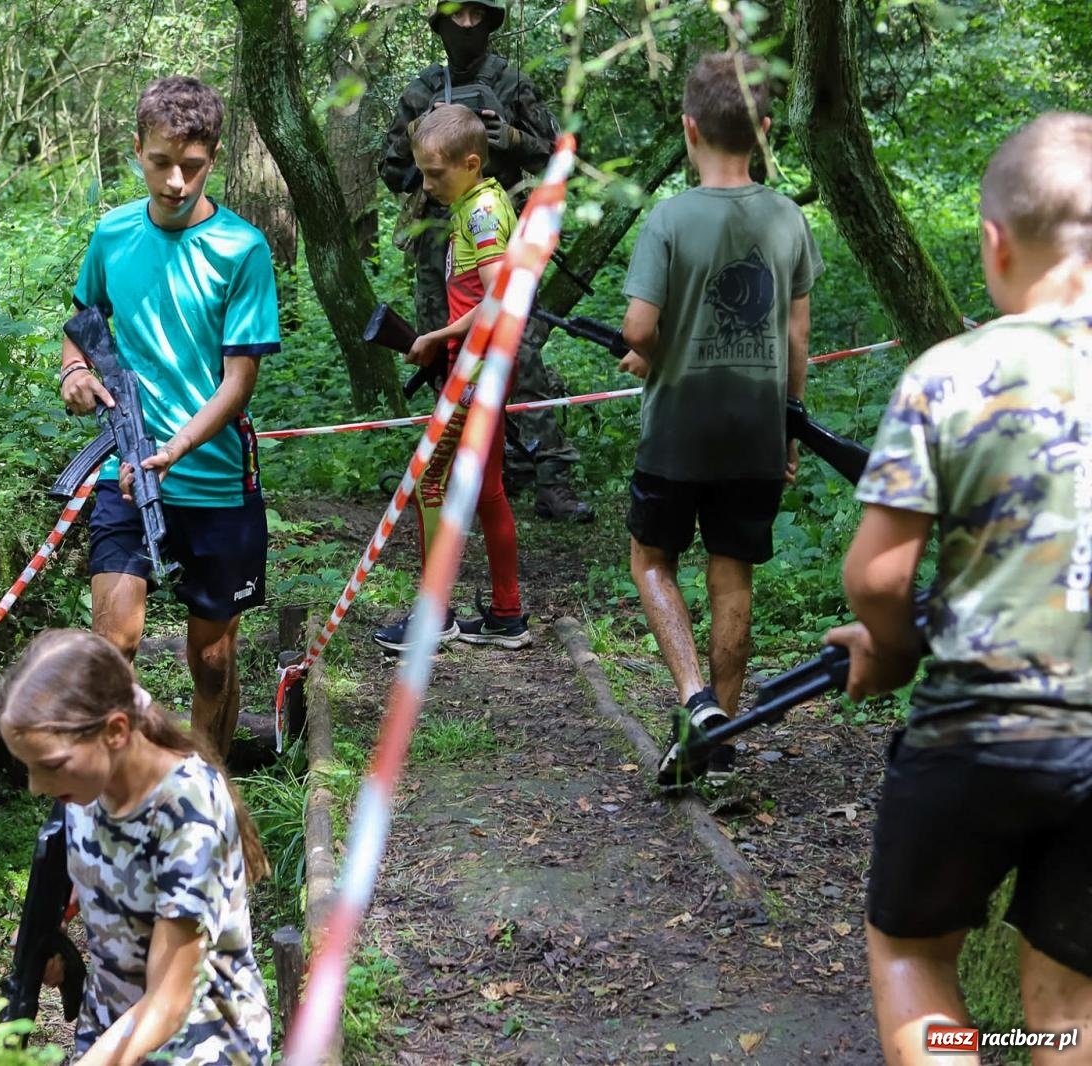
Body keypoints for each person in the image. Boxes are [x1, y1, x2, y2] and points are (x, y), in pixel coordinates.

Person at [824, 112, 1092, 1063]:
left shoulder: (954, 372)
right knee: (1069, 998)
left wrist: (891, 650)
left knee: (911, 951)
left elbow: (879, 573)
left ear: (994, 242)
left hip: (977, 728)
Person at [617, 52, 823, 787]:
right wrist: (791, 424)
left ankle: (695, 701)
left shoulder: (669, 218)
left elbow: (640, 330)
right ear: (764, 132)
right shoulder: (788, 217)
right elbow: (797, 339)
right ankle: (720, 749)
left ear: (688, 128)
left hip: (678, 426)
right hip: (756, 428)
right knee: (732, 574)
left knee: (651, 559)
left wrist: (651, 355)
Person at [60, 76, 280, 761]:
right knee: (113, 644)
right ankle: (116, 798)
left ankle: (211, 791)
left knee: (211, 661)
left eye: (193, 166)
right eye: (161, 163)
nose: (176, 181)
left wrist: (177, 447)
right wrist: (74, 371)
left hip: (213, 480)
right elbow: (81, 323)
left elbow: (238, 382)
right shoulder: (112, 233)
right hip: (126, 471)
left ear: (214, 156)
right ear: (137, 151)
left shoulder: (242, 250)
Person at [0, 628, 273, 1065]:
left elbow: (168, 1002)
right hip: (111, 1035)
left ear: (116, 731)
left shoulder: (188, 811)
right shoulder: (87, 786)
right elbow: (92, 876)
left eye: (49, 766)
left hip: (199, 1048)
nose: (36, 787)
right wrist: (49, 939)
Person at [378, 0, 592, 522]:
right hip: (438, 246)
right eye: (458, 17)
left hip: (500, 235)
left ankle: (551, 478)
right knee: (445, 357)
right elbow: (391, 169)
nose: (467, 27)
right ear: (442, 25)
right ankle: (463, 473)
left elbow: (559, 159)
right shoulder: (421, 91)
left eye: (477, 16)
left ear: (490, 22)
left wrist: (514, 139)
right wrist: (422, 141)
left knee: (519, 353)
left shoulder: (512, 82)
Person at [373, 105, 532, 653]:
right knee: (488, 492)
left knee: (428, 485)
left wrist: (439, 338)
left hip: (478, 371)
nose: (426, 182)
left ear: (470, 162)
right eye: (421, 170)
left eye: (436, 172)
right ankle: (507, 615)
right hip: (480, 366)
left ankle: (434, 615)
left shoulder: (481, 213)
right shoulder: (475, 203)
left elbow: (498, 298)